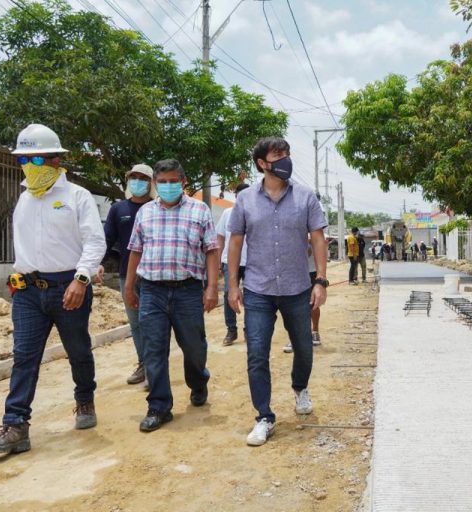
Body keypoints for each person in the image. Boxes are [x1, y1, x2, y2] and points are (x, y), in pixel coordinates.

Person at [0, 124, 106, 455]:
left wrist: (81, 278)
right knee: (24, 357)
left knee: (78, 349)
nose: (29, 166)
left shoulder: (77, 196)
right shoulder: (24, 200)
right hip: (28, 292)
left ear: (55, 160)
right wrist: (18, 280)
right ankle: (16, 426)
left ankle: (85, 400)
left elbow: (94, 241)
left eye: (35, 158)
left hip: (69, 287)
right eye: (24, 159)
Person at [227, 136, 328, 447]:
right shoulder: (244, 200)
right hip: (258, 290)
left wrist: (321, 280)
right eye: (277, 154)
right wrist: (232, 285)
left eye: (286, 153)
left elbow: (318, 238)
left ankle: (300, 387)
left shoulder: (306, 197)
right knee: (257, 354)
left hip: (297, 288)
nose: (284, 158)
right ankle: (264, 417)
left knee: (304, 348)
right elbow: (235, 242)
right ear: (262, 163)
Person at [125, 159, 219, 432]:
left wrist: (211, 288)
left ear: (183, 182)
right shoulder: (145, 213)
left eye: (173, 181)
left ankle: (198, 381)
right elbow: (135, 250)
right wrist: (130, 287)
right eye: (162, 182)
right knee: (154, 349)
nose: (167, 186)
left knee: (194, 347)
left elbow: (211, 251)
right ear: (155, 184)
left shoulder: (199, 211)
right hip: (152, 290)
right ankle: (159, 406)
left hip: (188, 290)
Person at [100, 164, 156, 386]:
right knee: (135, 323)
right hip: (127, 276)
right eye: (134, 177)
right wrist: (98, 263)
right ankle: (144, 364)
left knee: (153, 323)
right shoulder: (118, 209)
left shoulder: (157, 207)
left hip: (154, 276)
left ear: (151, 183)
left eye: (143, 178)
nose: (138, 181)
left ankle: (155, 369)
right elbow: (106, 238)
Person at [215, 183, 250, 346]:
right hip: (230, 261)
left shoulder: (255, 213)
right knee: (229, 293)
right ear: (236, 196)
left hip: (252, 262)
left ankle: (249, 330)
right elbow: (220, 238)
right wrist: (218, 260)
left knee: (252, 296)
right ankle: (231, 330)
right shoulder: (228, 213)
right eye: (240, 194)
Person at [283, 240, 323, 353]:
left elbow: (314, 247)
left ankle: (315, 332)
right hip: (292, 271)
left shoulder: (315, 224)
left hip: (311, 270)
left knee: (312, 303)